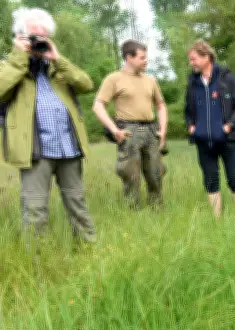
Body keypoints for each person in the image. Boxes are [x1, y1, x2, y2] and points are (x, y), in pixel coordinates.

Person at [0, 7, 96, 245]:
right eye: (34, 36)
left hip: (68, 147)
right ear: (21, 37)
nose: (39, 42)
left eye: (44, 37)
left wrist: (58, 58)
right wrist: (19, 56)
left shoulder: (58, 67)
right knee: (34, 210)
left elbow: (86, 84)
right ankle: (37, 262)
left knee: (78, 204)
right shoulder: (10, 65)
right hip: (35, 150)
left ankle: (89, 251)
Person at [93, 40, 168, 209]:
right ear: (129, 57)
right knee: (131, 177)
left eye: (146, 57)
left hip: (151, 130)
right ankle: (132, 213)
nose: (146, 60)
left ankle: (157, 212)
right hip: (128, 131)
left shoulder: (151, 80)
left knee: (156, 174)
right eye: (142, 57)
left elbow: (161, 106)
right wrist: (114, 130)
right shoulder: (114, 79)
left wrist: (163, 130)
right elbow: (98, 105)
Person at [184, 40, 235, 218]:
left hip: (227, 140)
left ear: (207, 57)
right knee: (210, 181)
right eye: (190, 60)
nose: (191, 63)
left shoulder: (227, 78)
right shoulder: (192, 82)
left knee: (234, 179)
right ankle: (216, 221)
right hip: (203, 141)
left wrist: (228, 127)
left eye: (194, 59)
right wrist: (191, 127)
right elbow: (188, 110)